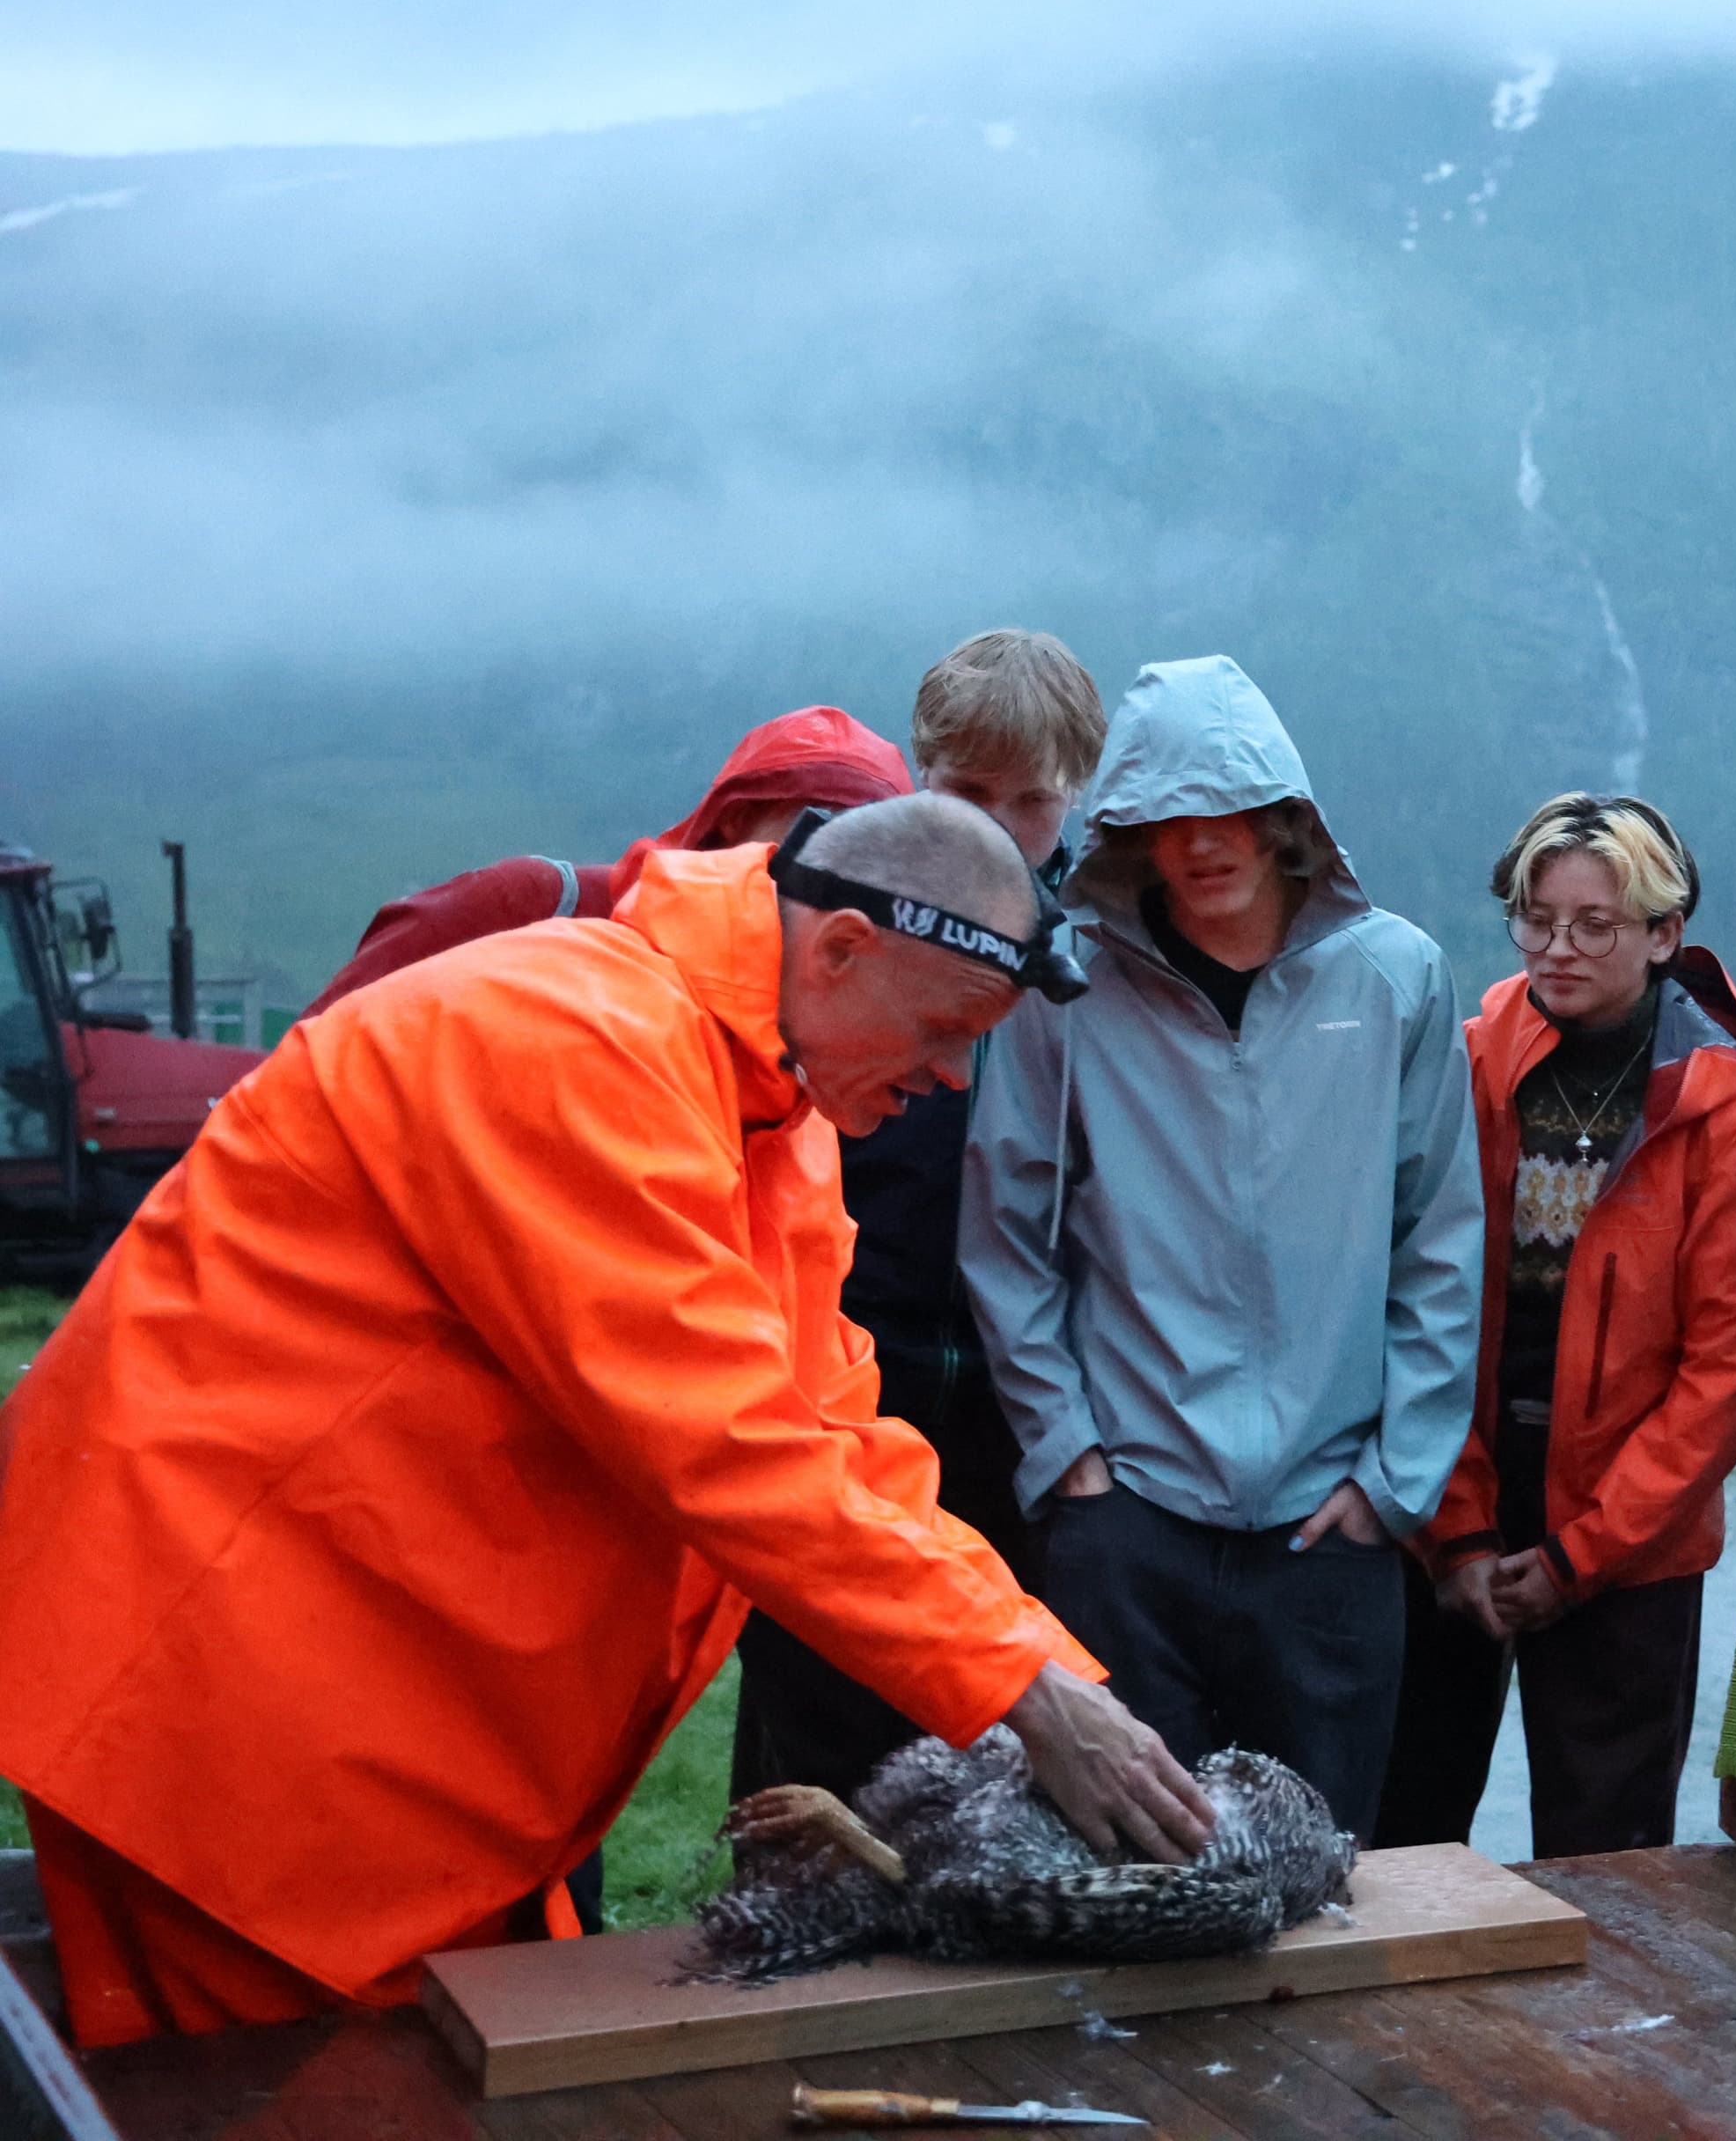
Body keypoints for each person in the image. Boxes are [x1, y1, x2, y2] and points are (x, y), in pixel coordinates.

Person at [0, 796, 1211, 2048]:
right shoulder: (574, 1040)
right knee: (284, 2094)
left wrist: (1051, 1675)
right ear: (842, 949)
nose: (955, 1077)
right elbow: (727, 1447)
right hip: (223, 1699)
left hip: (363, 1715)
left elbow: (837, 1438)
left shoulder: (775, 1114)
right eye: (947, 1030)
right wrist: (1019, 1692)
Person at [962, 657, 1482, 1836]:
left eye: (1229, 809)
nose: (1200, 844)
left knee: (1318, 1871)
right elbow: (1006, 1230)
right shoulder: (1069, 989)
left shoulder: (1395, 976)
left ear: (1284, 814)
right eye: (1166, 816)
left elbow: (1441, 1243)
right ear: (1129, 832)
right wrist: (1068, 1457)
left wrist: (1392, 1485)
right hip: (1126, 1516)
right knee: (1127, 1872)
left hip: (1332, 1527)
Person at [729, 630, 1107, 1805]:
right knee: (814, 1719)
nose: (1000, 825)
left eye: (1032, 801)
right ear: (917, 773)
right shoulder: (849, 930)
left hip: (1024, 1410)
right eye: (968, 794)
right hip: (849, 1374)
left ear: (1077, 795)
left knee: (1000, 1756)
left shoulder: (1104, 961)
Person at [1377, 795, 1736, 1857]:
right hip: (1453, 1495)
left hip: (1631, 1544)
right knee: (1403, 1832)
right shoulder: (1467, 1068)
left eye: (1595, 924)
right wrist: (1457, 1531)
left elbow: (1722, 1376)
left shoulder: (1730, 1123)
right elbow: (1408, 1297)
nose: (1558, 947)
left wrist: (1580, 1555)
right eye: (1537, 918)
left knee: (1607, 1857)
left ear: (1665, 933)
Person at [306, 705, 913, 1012]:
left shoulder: (794, 1037)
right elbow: (302, 1072)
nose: (832, 869)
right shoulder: (533, 903)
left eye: (870, 856)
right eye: (819, 828)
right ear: (735, 816)